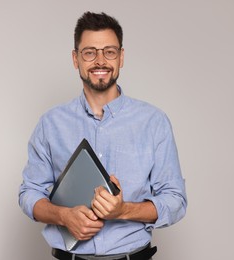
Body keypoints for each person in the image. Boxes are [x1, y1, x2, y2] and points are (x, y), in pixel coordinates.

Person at [18, 11, 187, 260]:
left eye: (109, 51)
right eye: (89, 52)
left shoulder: (154, 122)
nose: (100, 61)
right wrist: (64, 216)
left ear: (121, 57)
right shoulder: (50, 124)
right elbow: (29, 193)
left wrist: (123, 210)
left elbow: (175, 200)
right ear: (76, 59)